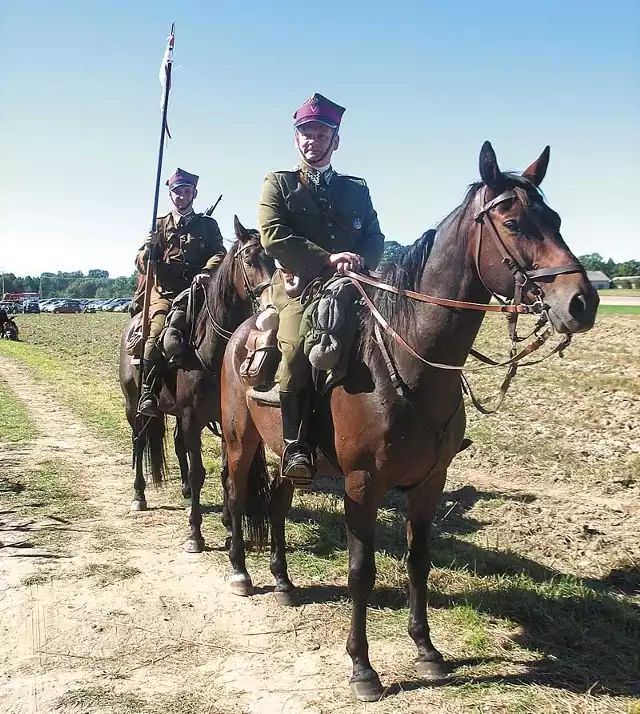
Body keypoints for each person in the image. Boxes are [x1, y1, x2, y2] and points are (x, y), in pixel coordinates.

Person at [258, 93, 385, 488]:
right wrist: (329, 258)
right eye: (305, 134)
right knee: (296, 346)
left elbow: (375, 236)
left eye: (320, 134)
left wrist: (359, 262)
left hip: (353, 284)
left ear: (335, 141)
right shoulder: (278, 183)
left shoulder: (356, 189)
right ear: (296, 140)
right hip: (300, 286)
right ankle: (296, 444)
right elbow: (272, 235)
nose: (312, 140)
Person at [135, 168, 226, 417]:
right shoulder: (159, 225)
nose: (181, 196)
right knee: (154, 336)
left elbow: (220, 253)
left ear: (194, 194)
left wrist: (207, 271)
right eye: (177, 191)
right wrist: (148, 249)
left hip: (199, 294)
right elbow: (142, 265)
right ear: (170, 195)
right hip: (164, 293)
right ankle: (148, 392)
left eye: (186, 191)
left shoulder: (208, 225)